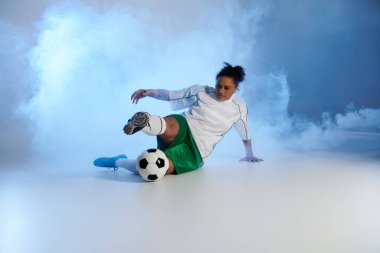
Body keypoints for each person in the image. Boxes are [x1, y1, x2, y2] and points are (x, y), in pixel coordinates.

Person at [94, 62, 263, 175]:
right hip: (184, 127)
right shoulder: (202, 91)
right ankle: (145, 122)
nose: (221, 90)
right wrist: (148, 92)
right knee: (172, 123)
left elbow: (245, 133)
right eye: (218, 85)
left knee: (154, 168)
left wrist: (250, 155)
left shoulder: (239, 109)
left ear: (236, 88)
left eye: (227, 88)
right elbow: (171, 95)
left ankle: (119, 161)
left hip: (196, 151)